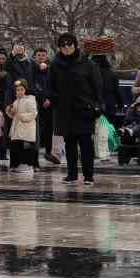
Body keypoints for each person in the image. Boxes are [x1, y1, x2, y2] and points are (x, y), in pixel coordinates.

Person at [50, 32, 102, 185]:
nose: (66, 47)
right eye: (63, 45)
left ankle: (88, 176)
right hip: (65, 110)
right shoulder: (55, 64)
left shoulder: (87, 63)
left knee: (86, 143)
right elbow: (50, 86)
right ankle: (72, 175)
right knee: (69, 143)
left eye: (69, 44)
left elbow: (97, 86)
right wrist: (55, 100)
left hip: (84, 110)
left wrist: (97, 105)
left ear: (75, 45)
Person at [87, 38, 121, 163]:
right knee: (104, 131)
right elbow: (116, 91)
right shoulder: (111, 73)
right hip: (108, 106)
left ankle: (91, 151)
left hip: (92, 105)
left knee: (91, 130)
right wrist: (120, 104)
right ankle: (104, 153)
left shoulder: (89, 71)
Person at [29, 46, 59, 166]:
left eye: (43, 55)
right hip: (37, 103)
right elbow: (33, 86)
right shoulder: (32, 69)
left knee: (49, 128)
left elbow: (53, 86)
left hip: (49, 104)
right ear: (35, 57)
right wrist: (42, 99)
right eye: (39, 55)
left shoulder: (50, 70)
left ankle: (48, 152)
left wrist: (49, 99)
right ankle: (34, 157)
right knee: (37, 130)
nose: (41, 57)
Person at [7, 79, 39, 174]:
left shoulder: (30, 100)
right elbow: (14, 116)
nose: (19, 92)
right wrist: (10, 112)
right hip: (17, 129)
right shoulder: (15, 102)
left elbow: (33, 114)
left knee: (26, 148)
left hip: (26, 129)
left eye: (21, 89)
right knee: (16, 147)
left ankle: (27, 166)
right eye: (17, 90)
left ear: (25, 90)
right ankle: (16, 165)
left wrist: (20, 116)